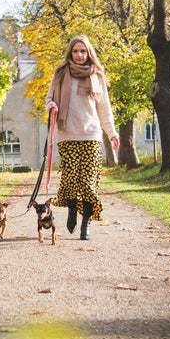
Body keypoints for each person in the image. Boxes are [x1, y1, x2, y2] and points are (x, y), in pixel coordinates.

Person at [46, 35, 119, 240]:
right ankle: (71, 209)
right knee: (69, 181)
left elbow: (104, 108)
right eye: (76, 51)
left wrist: (111, 132)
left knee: (88, 183)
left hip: (91, 135)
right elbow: (49, 98)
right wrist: (51, 106)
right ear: (71, 52)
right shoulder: (60, 73)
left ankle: (85, 224)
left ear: (88, 53)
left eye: (83, 51)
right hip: (67, 134)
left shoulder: (97, 75)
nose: (79, 55)